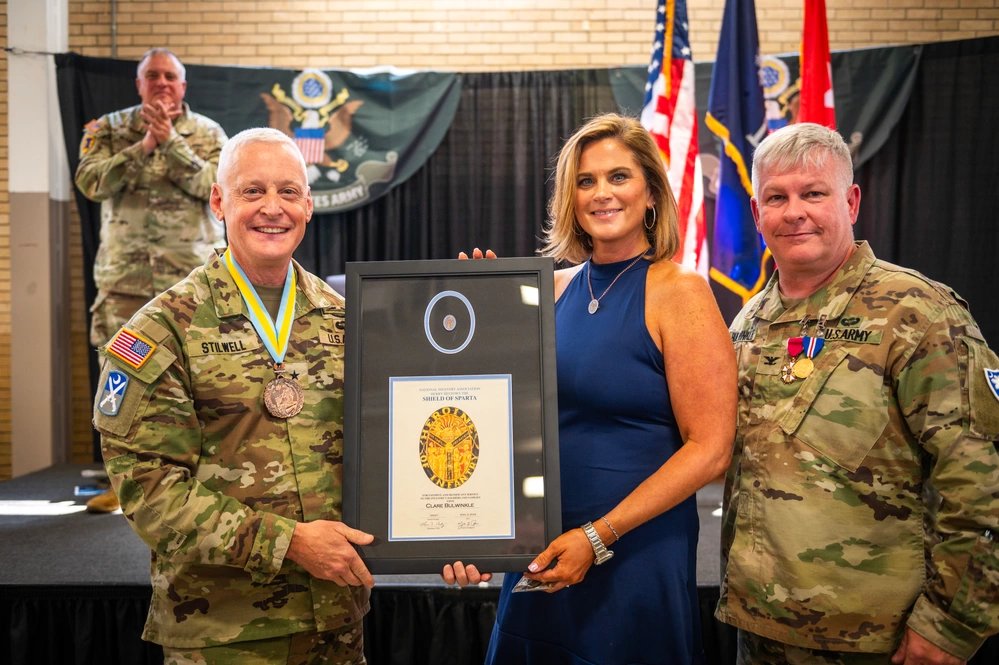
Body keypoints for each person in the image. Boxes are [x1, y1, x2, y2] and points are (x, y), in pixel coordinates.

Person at [446, 113, 737, 664]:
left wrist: (598, 537)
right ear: (569, 197)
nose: (602, 193)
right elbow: (489, 414)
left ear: (651, 192)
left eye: (619, 177)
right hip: (542, 553)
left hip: (635, 553)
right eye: (586, 181)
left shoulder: (680, 291)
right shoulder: (545, 289)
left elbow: (712, 449)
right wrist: (477, 305)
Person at [716, 122, 999, 664]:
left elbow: (981, 481)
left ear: (851, 201)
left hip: (876, 641)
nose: (794, 211)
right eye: (776, 197)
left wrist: (950, 627)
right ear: (757, 215)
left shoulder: (917, 312)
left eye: (813, 193)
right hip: (759, 630)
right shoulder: (749, 322)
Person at [92, 128, 374, 664]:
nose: (274, 208)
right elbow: (150, 492)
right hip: (222, 633)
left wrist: (455, 536)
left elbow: (390, 443)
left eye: (289, 192)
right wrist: (288, 543)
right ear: (218, 200)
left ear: (309, 206)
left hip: (337, 622)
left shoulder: (345, 318)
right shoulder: (160, 331)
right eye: (253, 191)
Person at [77, 48, 227, 513]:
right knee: (118, 382)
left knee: (200, 379)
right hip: (125, 280)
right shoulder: (108, 129)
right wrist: (142, 147)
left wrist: (171, 145)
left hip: (189, 284)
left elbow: (214, 188)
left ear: (183, 86)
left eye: (171, 77)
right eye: (152, 76)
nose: (162, 83)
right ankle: (117, 483)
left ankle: (202, 478)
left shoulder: (208, 133)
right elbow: (90, 182)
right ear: (139, 84)